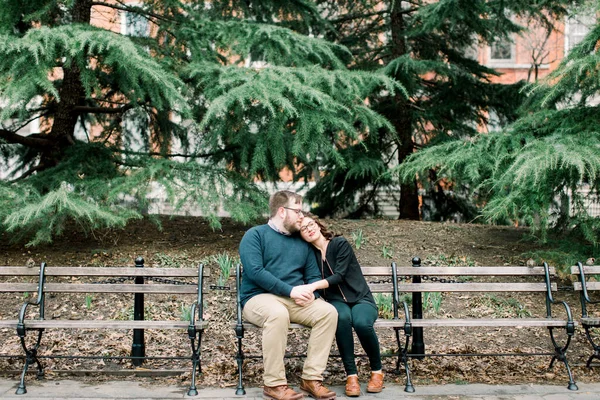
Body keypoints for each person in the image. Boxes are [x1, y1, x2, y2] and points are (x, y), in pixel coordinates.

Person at [239, 191, 338, 400]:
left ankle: (311, 379)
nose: (301, 216)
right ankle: (274, 384)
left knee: (328, 312)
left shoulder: (301, 242)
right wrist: (291, 290)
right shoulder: (255, 235)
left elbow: (312, 275)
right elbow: (255, 272)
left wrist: (311, 293)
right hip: (258, 298)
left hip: (294, 299)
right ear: (282, 212)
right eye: (297, 210)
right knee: (277, 313)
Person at [299, 214, 384, 397]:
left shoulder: (339, 244)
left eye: (310, 224)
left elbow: (339, 275)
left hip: (361, 298)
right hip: (336, 301)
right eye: (303, 229)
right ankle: (351, 375)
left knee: (362, 323)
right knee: (342, 319)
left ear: (318, 224)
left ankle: (377, 371)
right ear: (301, 236)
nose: (309, 229)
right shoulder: (310, 255)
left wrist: (313, 286)